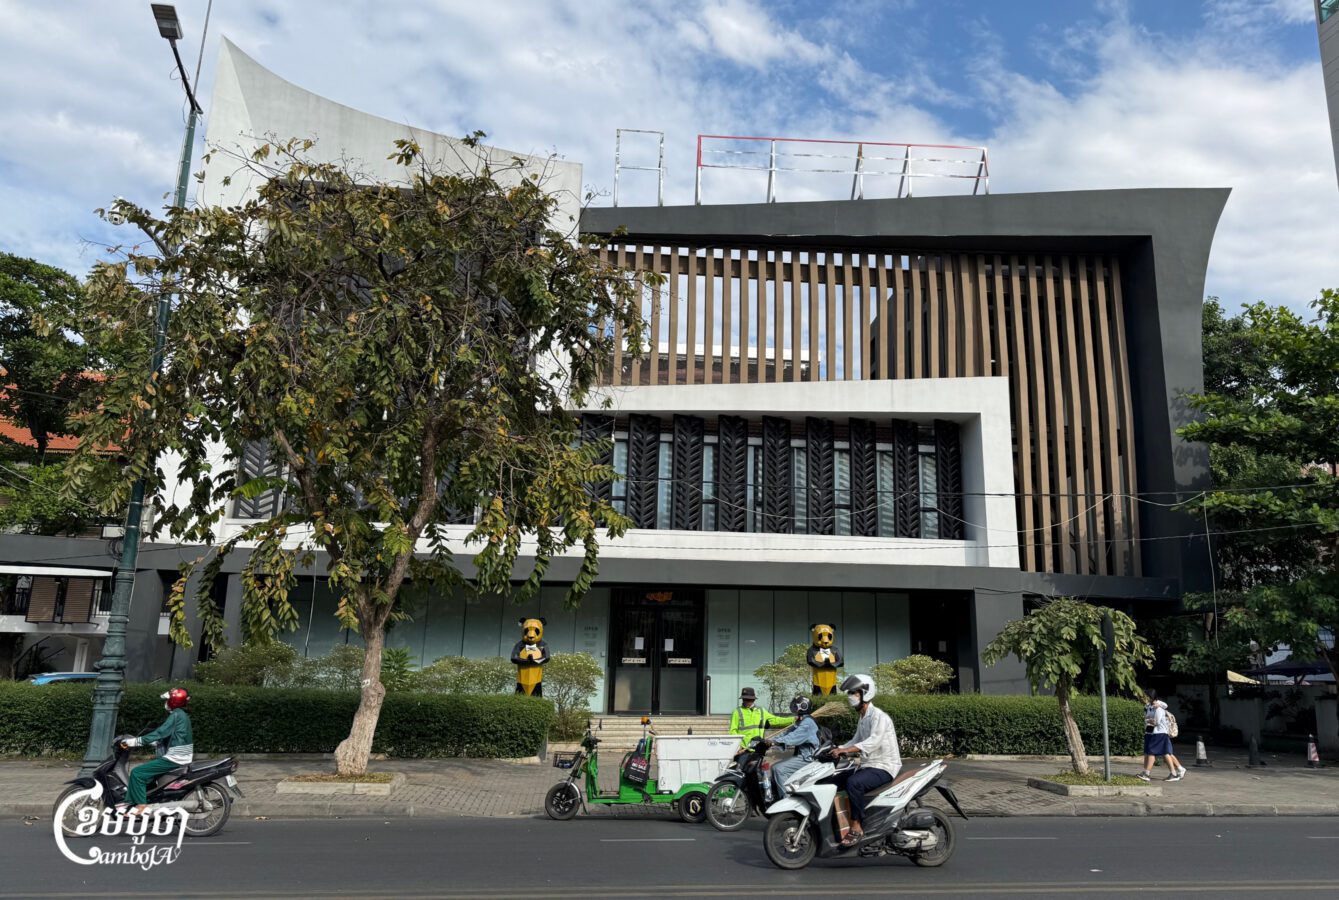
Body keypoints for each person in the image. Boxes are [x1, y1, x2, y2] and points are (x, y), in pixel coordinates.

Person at [830, 673, 901, 847]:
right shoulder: (863, 717)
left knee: (854, 783)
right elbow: (856, 740)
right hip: (869, 765)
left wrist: (846, 750)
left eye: (853, 693)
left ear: (865, 694)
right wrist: (837, 749)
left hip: (885, 767)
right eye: (850, 693)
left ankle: (857, 826)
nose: (850, 697)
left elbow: (873, 742)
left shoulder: (879, 717)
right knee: (833, 781)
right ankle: (838, 822)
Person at [119, 687, 194, 815]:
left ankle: (141, 806)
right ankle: (135, 801)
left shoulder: (176, 715)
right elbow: (172, 735)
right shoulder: (181, 715)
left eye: (167, 700)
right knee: (148, 776)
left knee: (138, 773)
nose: (165, 703)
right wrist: (154, 743)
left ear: (173, 701)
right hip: (179, 755)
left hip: (175, 757)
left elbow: (160, 732)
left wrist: (134, 742)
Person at [767, 695, 823, 797]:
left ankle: (786, 801)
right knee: (774, 767)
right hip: (802, 756)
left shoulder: (807, 723)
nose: (793, 706)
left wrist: (775, 743)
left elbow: (793, 737)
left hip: (808, 758)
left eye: (795, 704)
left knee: (778, 769)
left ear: (803, 706)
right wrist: (768, 740)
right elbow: (786, 733)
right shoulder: (801, 721)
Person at [1138, 690, 1185, 782]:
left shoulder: (1158, 707)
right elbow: (1148, 720)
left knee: (1154, 753)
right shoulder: (1148, 706)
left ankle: (1147, 774)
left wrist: (1148, 720)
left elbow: (1156, 722)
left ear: (1151, 697)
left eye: (1145, 696)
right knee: (1163, 753)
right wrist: (1148, 723)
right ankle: (1176, 771)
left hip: (1159, 733)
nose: (1143, 698)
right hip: (1151, 732)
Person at [729, 687, 794, 748]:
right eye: (745, 699)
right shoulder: (737, 712)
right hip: (744, 748)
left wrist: (794, 719)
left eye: (750, 699)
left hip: (759, 747)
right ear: (742, 699)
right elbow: (733, 731)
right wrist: (738, 746)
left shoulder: (761, 711)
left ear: (753, 699)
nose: (747, 701)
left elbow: (776, 720)